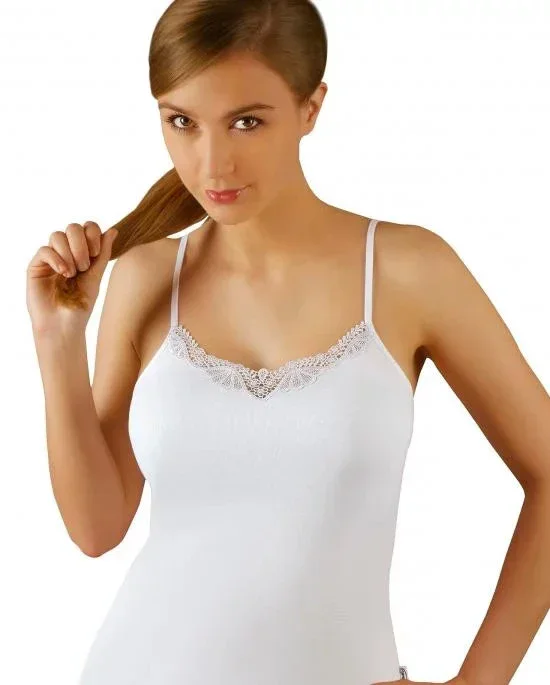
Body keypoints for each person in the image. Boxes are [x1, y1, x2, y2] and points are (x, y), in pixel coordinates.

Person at [26, 1, 550, 685]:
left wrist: (478, 681)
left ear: (311, 107)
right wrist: (58, 339)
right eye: (182, 121)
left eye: (246, 121)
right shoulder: (147, 277)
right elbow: (97, 529)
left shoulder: (407, 270)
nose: (211, 162)